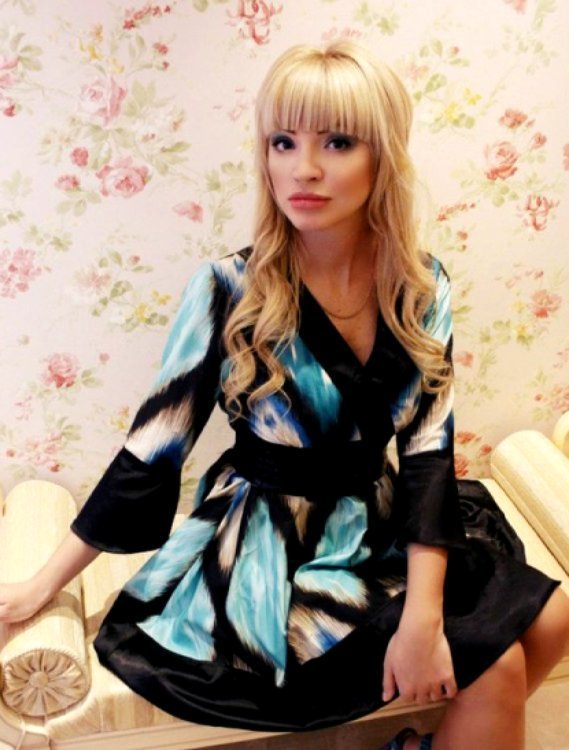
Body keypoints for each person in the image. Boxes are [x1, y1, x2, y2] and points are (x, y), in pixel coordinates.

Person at [1, 41, 569, 750]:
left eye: (337, 142)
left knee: (554, 617)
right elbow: (150, 453)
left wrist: (422, 618)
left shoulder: (420, 287)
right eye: (282, 141)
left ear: (383, 158)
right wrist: (39, 586)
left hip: (374, 521)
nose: (302, 168)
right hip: (268, 552)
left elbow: (428, 455)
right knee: (498, 667)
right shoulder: (228, 290)